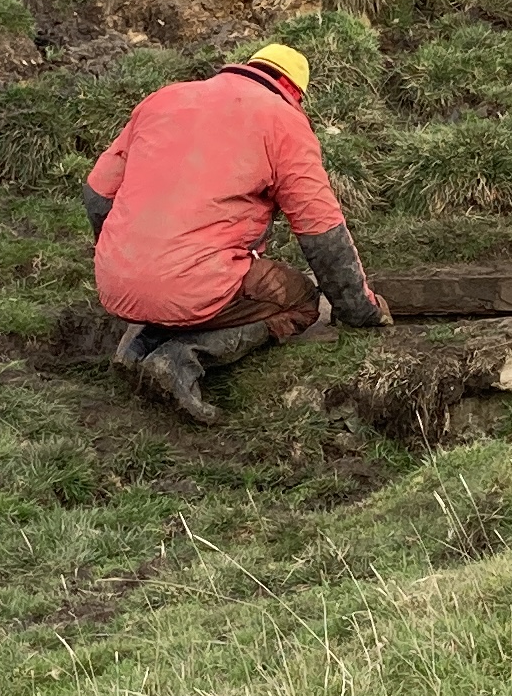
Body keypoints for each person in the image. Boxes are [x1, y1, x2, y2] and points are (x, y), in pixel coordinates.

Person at [83, 42, 389, 425]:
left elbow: (96, 196)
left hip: (114, 280)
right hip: (195, 284)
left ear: (249, 67)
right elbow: (322, 233)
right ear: (295, 92)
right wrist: (359, 310)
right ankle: (180, 359)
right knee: (302, 301)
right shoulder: (282, 121)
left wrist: (126, 255)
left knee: (180, 287)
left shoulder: (164, 99)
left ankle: (136, 348)